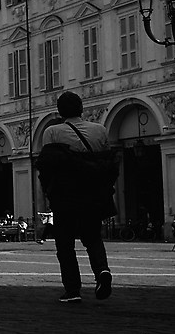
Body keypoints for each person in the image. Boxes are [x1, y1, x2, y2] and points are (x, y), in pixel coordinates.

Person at [33, 90, 116, 305]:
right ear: (81, 108)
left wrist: (48, 192)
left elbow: (47, 166)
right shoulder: (100, 130)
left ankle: (72, 289)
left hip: (66, 195)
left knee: (65, 244)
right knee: (93, 238)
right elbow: (108, 163)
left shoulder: (52, 132)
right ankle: (102, 271)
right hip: (94, 195)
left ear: (60, 111)